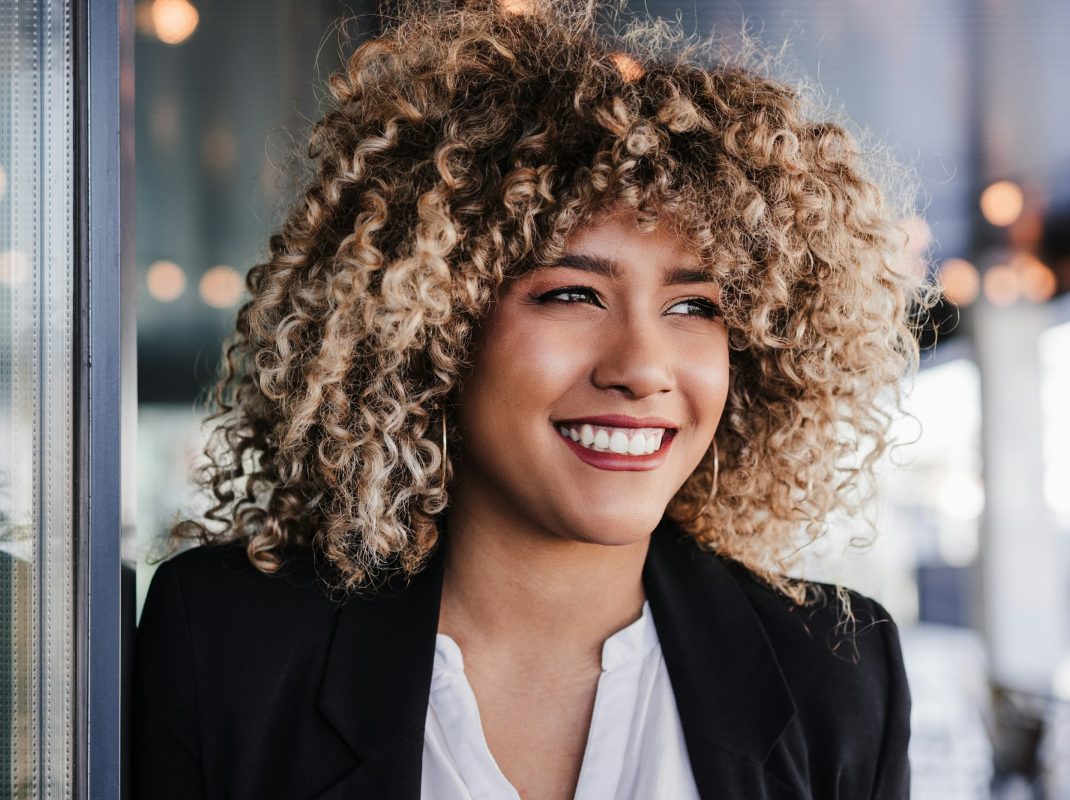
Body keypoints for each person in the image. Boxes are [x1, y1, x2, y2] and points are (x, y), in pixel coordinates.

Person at [133, 2, 932, 797]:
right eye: (573, 294)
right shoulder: (228, 649)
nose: (643, 368)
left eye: (695, 307)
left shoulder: (838, 675)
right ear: (434, 324)